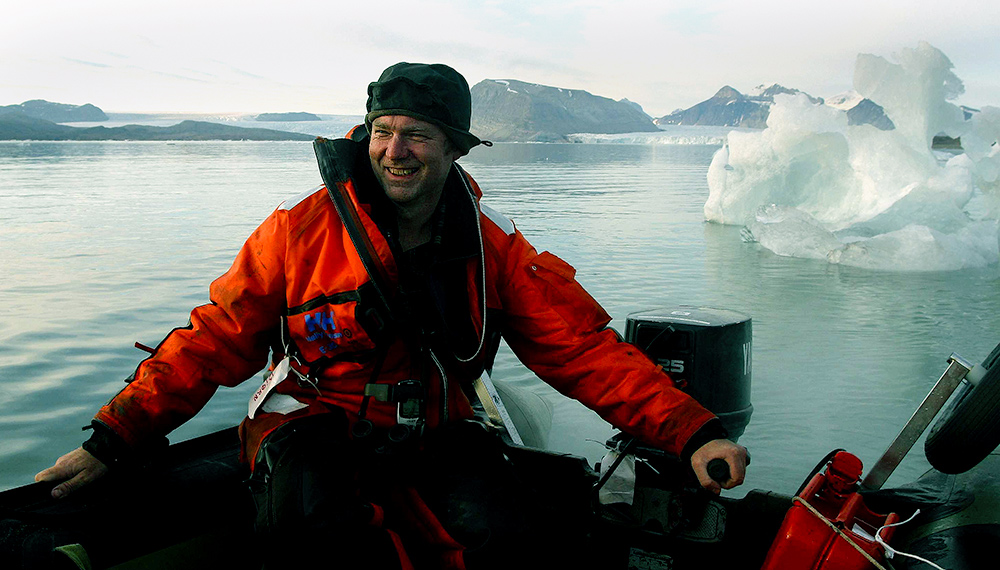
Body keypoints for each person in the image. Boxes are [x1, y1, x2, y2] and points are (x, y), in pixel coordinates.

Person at [36, 62, 748, 568]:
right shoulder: (296, 232)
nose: (394, 150)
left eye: (418, 135)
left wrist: (691, 432)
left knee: (513, 532)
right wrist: (114, 438)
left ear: (453, 148)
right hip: (312, 424)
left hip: (437, 429)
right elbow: (211, 340)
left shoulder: (490, 242)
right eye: (384, 129)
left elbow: (581, 351)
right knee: (314, 531)